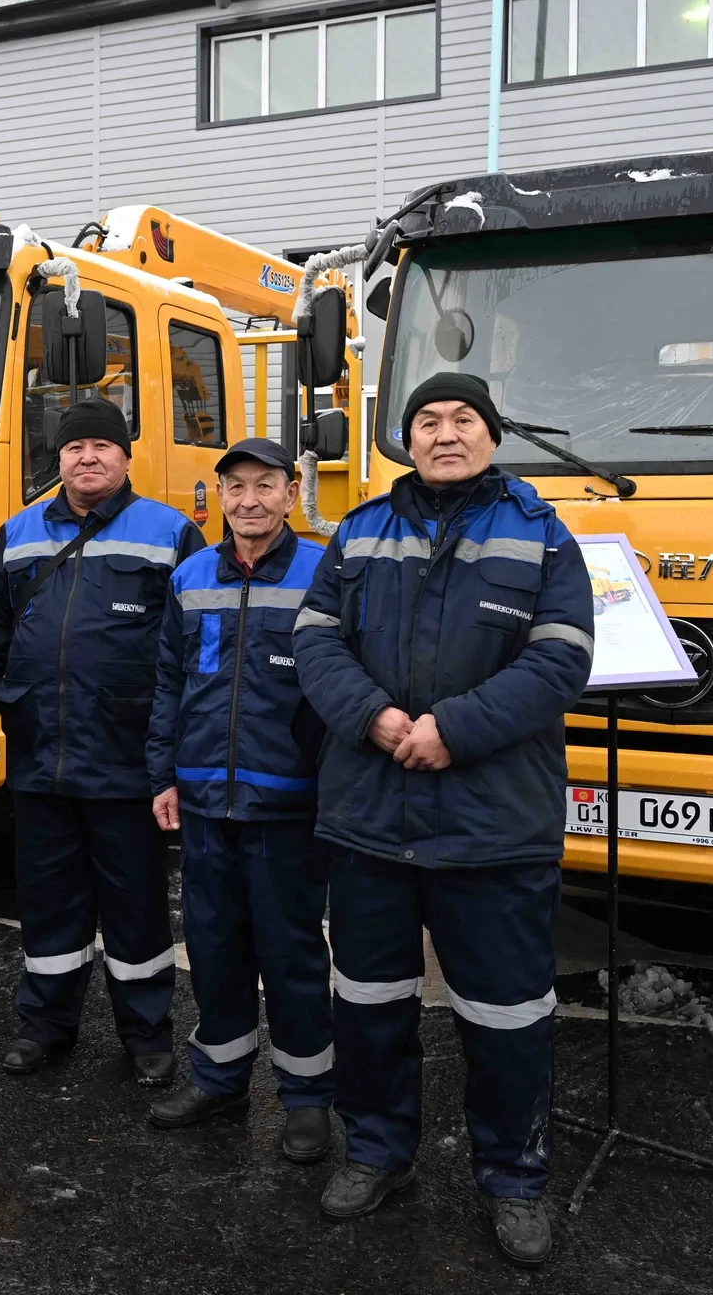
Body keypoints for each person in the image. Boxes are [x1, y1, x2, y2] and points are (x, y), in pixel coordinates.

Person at [292, 372, 594, 1268]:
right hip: (371, 812)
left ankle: (515, 1178)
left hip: (492, 825)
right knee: (369, 1001)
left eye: (464, 419)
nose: (445, 434)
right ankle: (378, 1151)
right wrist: (375, 719)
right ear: (406, 439)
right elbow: (313, 639)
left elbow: (561, 661)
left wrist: (453, 730)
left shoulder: (543, 537)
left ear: (492, 437)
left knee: (507, 1016)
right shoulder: (359, 531)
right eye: (427, 421)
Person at [0, 399, 207, 1084]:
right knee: (48, 902)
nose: (88, 457)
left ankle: (146, 1034)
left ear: (126, 458)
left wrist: (180, 746)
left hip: (127, 756)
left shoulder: (171, 533)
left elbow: (192, 646)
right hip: (40, 753)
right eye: (75, 447)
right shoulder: (18, 533)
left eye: (103, 446)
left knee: (135, 907)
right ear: (60, 459)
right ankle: (45, 1026)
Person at [144, 437, 334, 1163]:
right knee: (214, 948)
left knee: (291, 953)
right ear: (219, 497)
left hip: (288, 802)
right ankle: (218, 1079)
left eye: (264, 485)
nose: (249, 500)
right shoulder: (190, 576)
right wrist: (163, 775)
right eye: (235, 487)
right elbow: (170, 681)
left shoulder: (325, 572)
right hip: (202, 799)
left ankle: (307, 1098)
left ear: (290, 494)